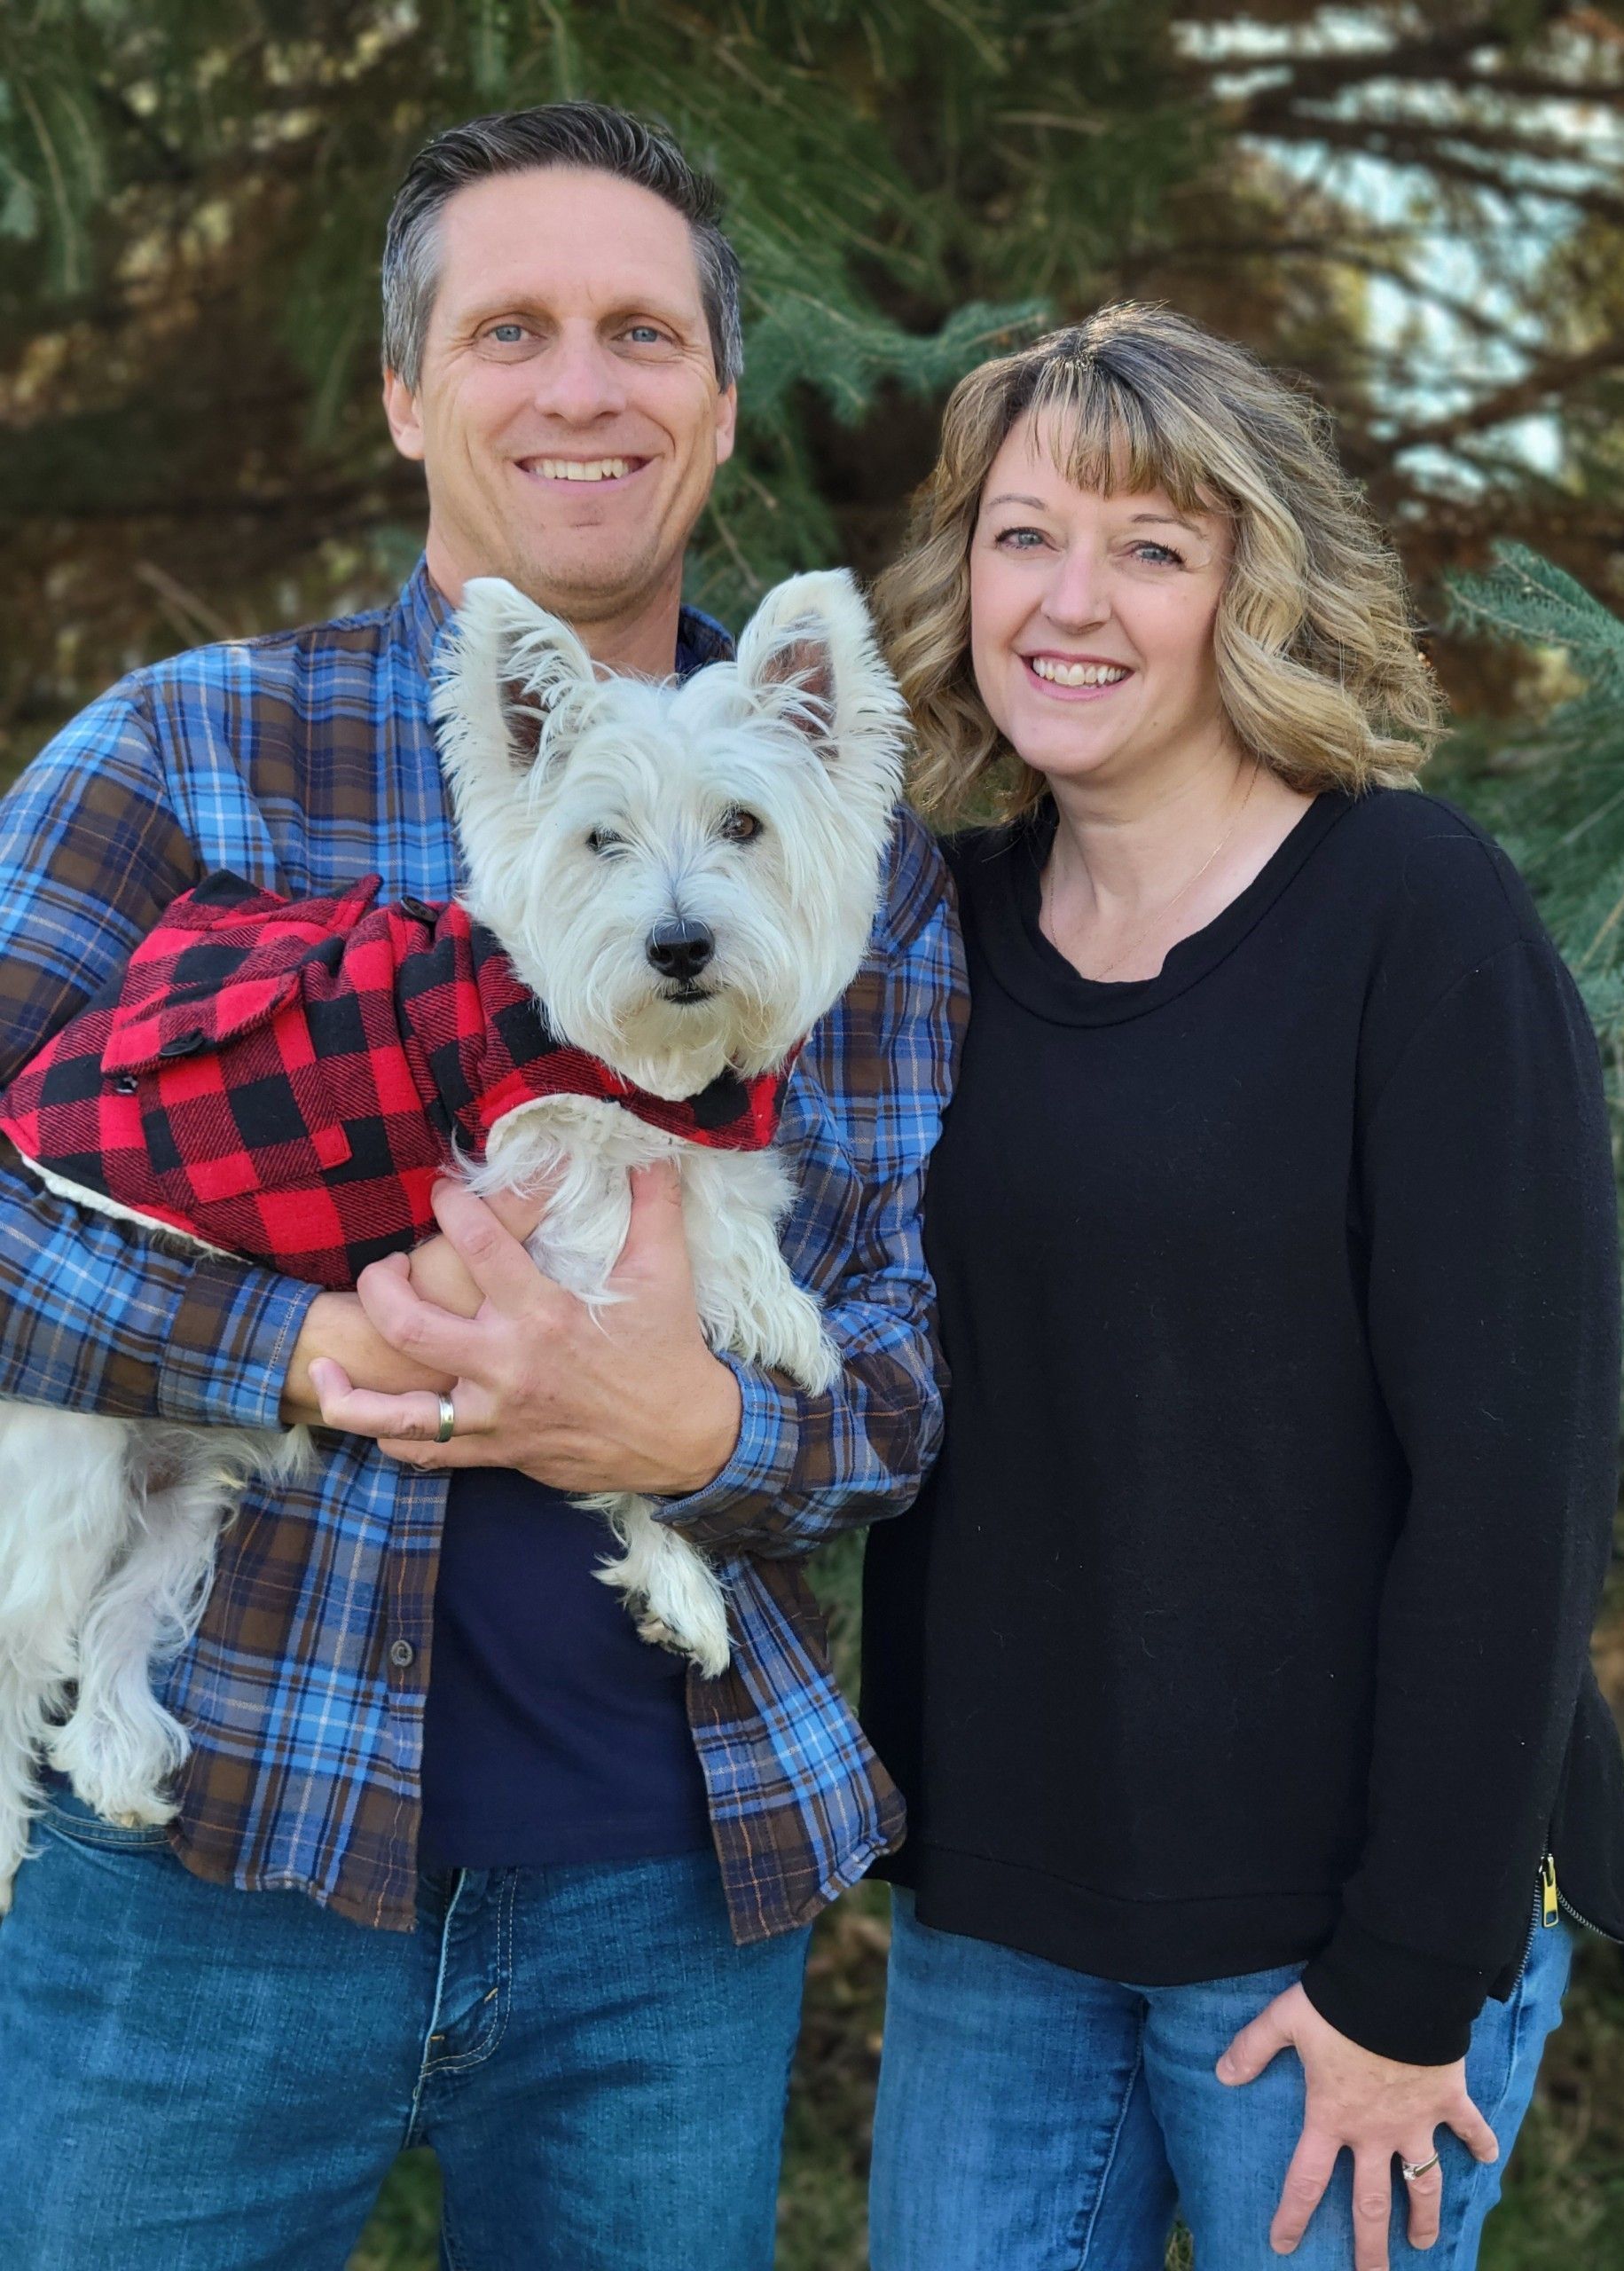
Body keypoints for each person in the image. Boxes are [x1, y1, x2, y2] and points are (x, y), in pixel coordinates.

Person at [0, 103, 962, 2271]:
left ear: (719, 401)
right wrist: (295, 1340)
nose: (580, 384)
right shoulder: (184, 749)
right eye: (508, 325)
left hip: (667, 1897)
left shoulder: (837, 847)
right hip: (202, 1873)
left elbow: (901, 1357)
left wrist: (698, 1425)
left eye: (641, 330)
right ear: (405, 390)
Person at [859, 303, 1624, 2271]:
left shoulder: (1412, 916)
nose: (1068, 600)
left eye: (1151, 547)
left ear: (1250, 588)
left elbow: (1515, 1479)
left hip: (1333, 1932)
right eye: (1022, 534)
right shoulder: (923, 926)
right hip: (999, 1916)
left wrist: (1413, 1968)